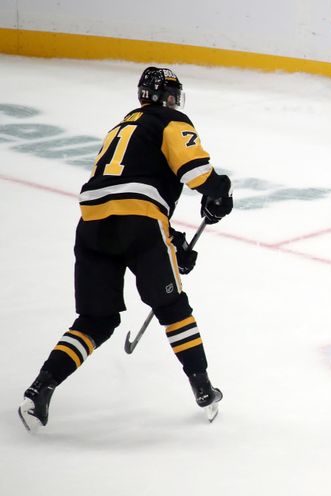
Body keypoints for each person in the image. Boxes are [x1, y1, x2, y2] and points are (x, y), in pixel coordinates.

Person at [18, 67, 233, 432]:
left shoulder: (119, 128)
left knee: (96, 320)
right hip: (140, 222)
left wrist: (174, 242)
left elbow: (123, 191)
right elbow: (194, 172)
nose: (174, 101)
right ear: (163, 97)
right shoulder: (170, 121)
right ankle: (202, 387)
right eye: (171, 94)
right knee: (171, 306)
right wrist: (219, 190)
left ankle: (40, 388)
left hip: (92, 224)